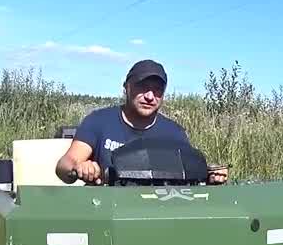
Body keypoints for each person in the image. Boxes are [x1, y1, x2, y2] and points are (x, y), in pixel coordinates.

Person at [55, 59, 229, 185]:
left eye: (157, 90)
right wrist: (80, 167)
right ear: (126, 87)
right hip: (105, 208)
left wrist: (211, 176)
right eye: (143, 87)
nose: (150, 96)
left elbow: (189, 181)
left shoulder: (175, 133)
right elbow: (64, 165)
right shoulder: (98, 121)